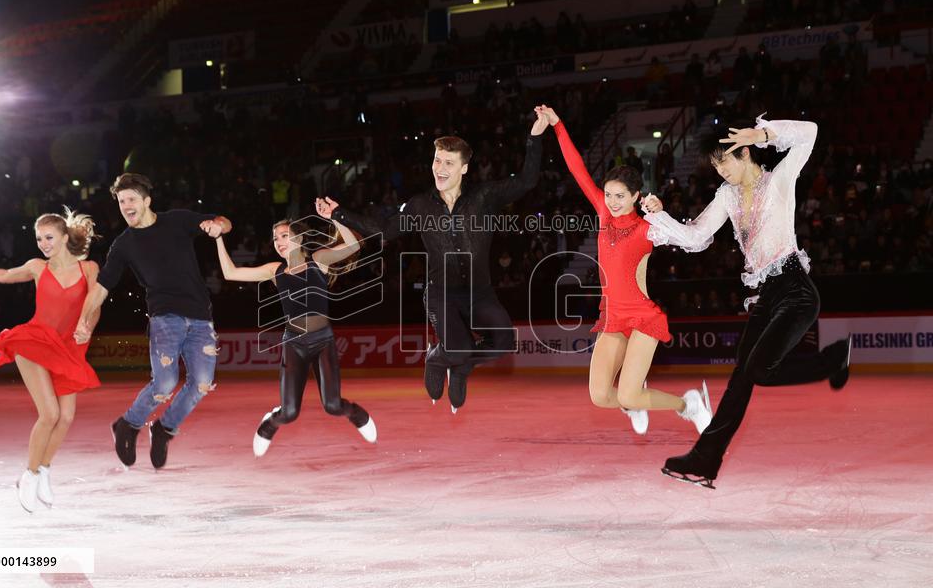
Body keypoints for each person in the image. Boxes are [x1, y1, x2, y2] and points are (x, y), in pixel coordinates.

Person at [642, 116, 852, 488]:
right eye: (715, 166)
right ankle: (705, 459)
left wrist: (766, 133)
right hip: (765, 297)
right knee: (742, 378)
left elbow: (811, 133)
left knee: (758, 371)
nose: (720, 171)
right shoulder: (727, 196)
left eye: (724, 161)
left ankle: (832, 359)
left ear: (745, 152)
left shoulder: (780, 179)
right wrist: (660, 217)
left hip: (795, 292)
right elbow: (696, 236)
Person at [318, 111, 548, 412]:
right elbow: (386, 230)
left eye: (448, 163)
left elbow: (528, 180)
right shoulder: (420, 205)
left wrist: (536, 136)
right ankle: (437, 357)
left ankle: (461, 366)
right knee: (459, 347)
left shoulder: (484, 197)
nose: (440, 168)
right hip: (441, 294)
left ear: (464, 168)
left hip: (480, 293)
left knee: (504, 342)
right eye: (437, 161)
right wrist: (339, 214)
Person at [537, 105, 711, 436]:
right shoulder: (603, 212)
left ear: (636, 196)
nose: (613, 201)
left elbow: (693, 240)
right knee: (600, 396)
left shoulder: (647, 229)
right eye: (609, 194)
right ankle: (634, 401)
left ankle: (688, 405)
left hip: (642, 317)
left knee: (630, 394)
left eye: (621, 196)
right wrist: (558, 124)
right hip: (613, 316)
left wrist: (661, 213)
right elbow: (577, 169)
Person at [73, 173, 232, 469]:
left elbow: (223, 220)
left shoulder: (178, 220)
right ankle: (128, 424)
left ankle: (163, 428)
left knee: (202, 383)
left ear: (147, 201)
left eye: (131, 199)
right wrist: (84, 319)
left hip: (200, 317)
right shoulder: (123, 244)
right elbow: (102, 286)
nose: (126, 206)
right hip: (164, 317)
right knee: (166, 381)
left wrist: (218, 225)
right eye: (121, 202)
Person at [0, 209, 101, 512]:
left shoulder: (89, 269)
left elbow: (94, 304)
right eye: (38, 238)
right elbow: (6, 275)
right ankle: (29, 475)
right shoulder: (37, 267)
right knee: (49, 414)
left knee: (67, 417)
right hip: (33, 342)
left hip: (69, 348)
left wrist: (87, 325)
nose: (43, 243)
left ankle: (44, 469)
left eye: (48, 237)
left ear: (63, 237)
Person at [207, 204, 376, 455]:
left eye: (285, 235)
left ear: (299, 238)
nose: (279, 241)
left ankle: (358, 416)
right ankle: (268, 426)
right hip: (293, 343)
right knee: (289, 413)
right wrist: (219, 237)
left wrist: (335, 217)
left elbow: (354, 246)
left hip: (322, 341)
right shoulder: (275, 271)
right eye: (275, 238)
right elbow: (230, 273)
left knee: (333, 405)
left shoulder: (318, 261)